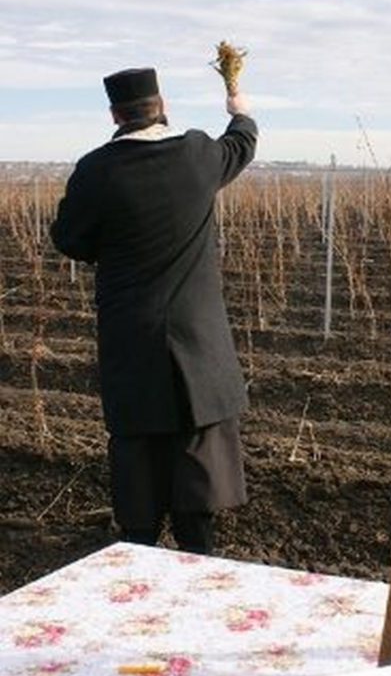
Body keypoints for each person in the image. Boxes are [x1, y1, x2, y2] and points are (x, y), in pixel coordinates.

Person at [49, 66, 258, 554]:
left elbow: (68, 239)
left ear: (115, 114)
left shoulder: (97, 170)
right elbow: (242, 143)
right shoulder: (198, 154)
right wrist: (238, 107)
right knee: (195, 456)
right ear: (161, 105)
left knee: (138, 453)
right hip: (198, 341)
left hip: (130, 333)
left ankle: (138, 550)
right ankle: (195, 554)